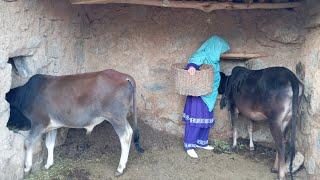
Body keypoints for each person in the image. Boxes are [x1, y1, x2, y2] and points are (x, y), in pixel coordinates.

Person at [183, 35, 230, 158]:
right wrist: (192, 68)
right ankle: (189, 145)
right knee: (195, 119)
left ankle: (201, 142)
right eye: (220, 50)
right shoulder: (203, 55)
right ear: (214, 48)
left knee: (206, 118)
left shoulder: (214, 60)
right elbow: (192, 62)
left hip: (210, 94)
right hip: (199, 95)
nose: (221, 53)